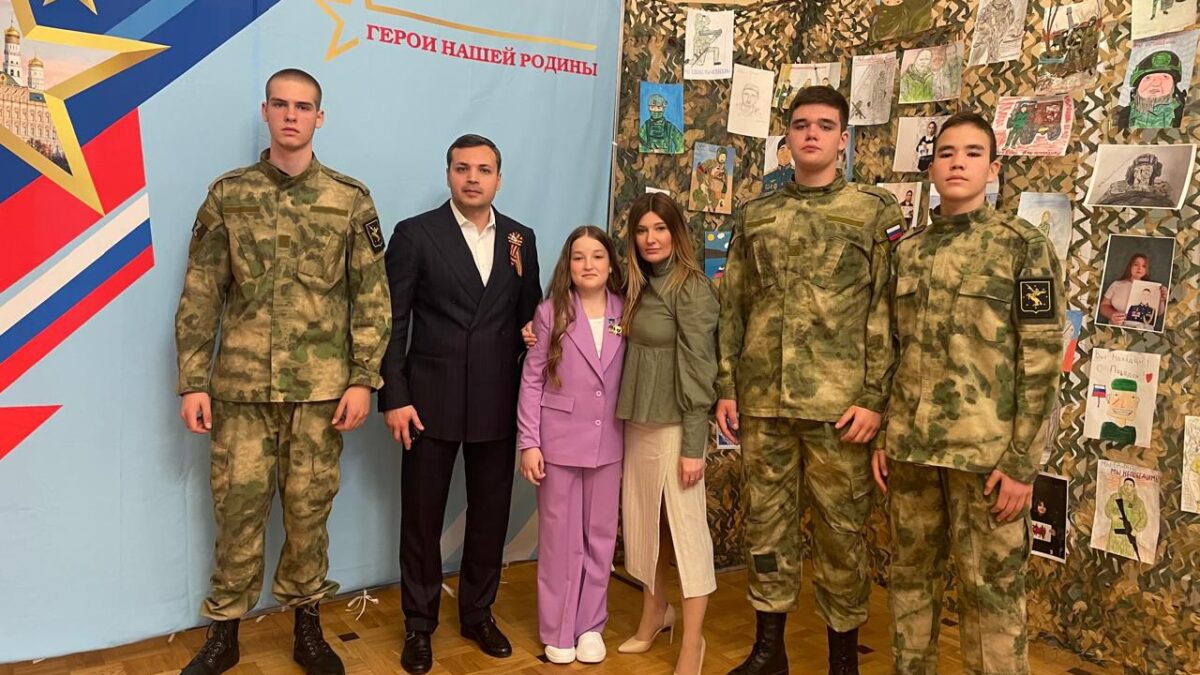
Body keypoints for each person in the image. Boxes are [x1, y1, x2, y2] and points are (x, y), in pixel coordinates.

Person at [174, 68, 391, 675]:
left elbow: (372, 298)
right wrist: (193, 380)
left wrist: (363, 379)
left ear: (320, 117)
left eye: (303, 106)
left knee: (308, 512)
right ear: (265, 111)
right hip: (241, 393)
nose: (291, 115)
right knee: (237, 511)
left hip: (320, 394)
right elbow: (201, 294)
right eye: (281, 104)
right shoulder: (228, 195)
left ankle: (308, 629)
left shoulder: (350, 200)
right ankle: (224, 632)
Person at [718, 85, 901, 675]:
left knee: (841, 536)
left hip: (839, 407)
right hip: (764, 401)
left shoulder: (874, 212)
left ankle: (842, 659)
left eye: (825, 125)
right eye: (801, 125)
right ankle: (769, 651)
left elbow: (887, 311)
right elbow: (734, 305)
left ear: (844, 139)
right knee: (765, 529)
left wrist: (874, 399)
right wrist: (727, 386)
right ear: (788, 138)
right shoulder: (756, 215)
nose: (812, 134)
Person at [873, 112, 1064, 675]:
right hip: (911, 451)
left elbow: (1041, 359)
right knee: (909, 588)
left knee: (992, 598)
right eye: (947, 153)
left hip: (987, 457)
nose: (958, 163)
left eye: (973, 153)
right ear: (931, 168)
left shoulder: (1022, 248)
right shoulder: (907, 251)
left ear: (993, 168)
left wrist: (1023, 462)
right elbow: (888, 350)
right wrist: (885, 432)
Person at [378, 134, 541, 674]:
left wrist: (533, 332)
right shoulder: (415, 234)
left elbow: (530, 314)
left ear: (499, 179)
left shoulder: (520, 238)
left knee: (490, 517)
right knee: (421, 519)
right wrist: (395, 397)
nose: (473, 178)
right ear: (448, 174)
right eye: (463, 168)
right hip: (429, 401)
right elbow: (393, 322)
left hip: (497, 400)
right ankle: (419, 624)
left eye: (484, 169)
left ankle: (477, 614)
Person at [617, 193, 718, 675]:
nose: (650, 238)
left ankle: (692, 643)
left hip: (678, 427)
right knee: (645, 526)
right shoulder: (636, 285)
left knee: (686, 534)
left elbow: (700, 370)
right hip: (638, 423)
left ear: (676, 233)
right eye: (642, 230)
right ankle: (655, 613)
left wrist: (694, 447)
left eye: (659, 228)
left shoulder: (692, 289)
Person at [516, 226, 626, 665]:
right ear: (568, 265)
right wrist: (529, 442)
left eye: (597, 256)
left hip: (609, 443)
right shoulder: (550, 313)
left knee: (600, 538)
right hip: (558, 443)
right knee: (559, 540)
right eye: (578, 257)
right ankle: (558, 629)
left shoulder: (627, 312)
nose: (588, 265)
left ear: (611, 264)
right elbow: (532, 380)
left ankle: (591, 625)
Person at [1097, 252, 1168, 330]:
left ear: (1146, 270)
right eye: (1136, 264)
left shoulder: (1153, 288)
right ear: (1130, 266)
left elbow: (1158, 313)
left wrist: (1161, 300)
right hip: (1117, 328)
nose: (1139, 268)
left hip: (1142, 330)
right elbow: (1104, 306)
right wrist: (1112, 314)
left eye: (1144, 266)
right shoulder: (1116, 284)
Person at [1096, 153, 1175, 208]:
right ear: (1134, 171)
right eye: (1141, 168)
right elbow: (1099, 205)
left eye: (1149, 169)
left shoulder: (1160, 188)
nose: (1146, 171)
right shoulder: (1117, 187)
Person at [1104, 478, 1147, 560]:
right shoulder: (1115, 497)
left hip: (1129, 536)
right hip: (1115, 535)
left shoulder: (1138, 502)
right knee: (1111, 558)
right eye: (1126, 484)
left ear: (1133, 488)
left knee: (1125, 561)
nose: (1128, 487)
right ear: (1123, 485)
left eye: (1130, 485)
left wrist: (1136, 529)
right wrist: (1112, 515)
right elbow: (1107, 508)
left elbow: (1144, 518)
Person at [1099, 378, 1139, 445]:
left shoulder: (1131, 432)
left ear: (1137, 402)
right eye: (1116, 396)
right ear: (1109, 399)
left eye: (1131, 399)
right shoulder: (1106, 427)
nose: (1123, 405)